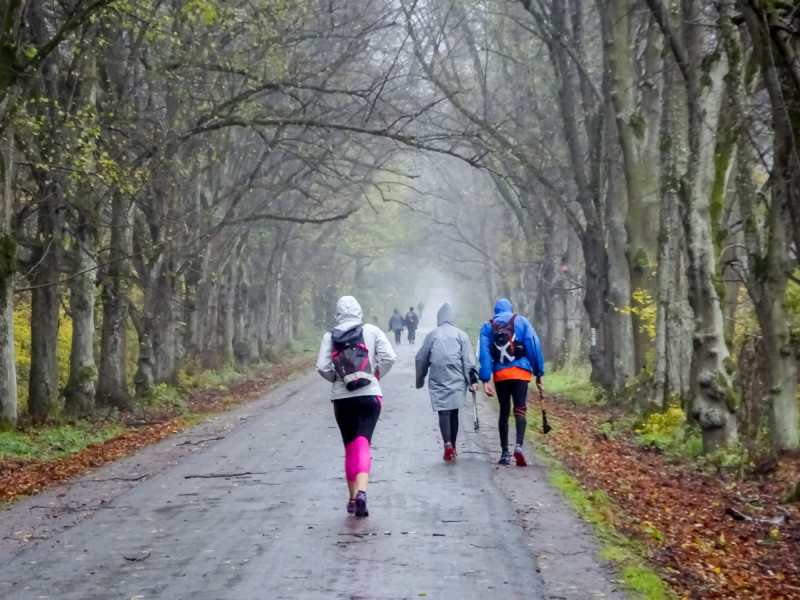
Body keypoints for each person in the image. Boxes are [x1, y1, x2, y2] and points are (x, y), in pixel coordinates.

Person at [317, 296, 396, 517]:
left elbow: (321, 366)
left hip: (343, 398)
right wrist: (376, 375)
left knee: (349, 446)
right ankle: (361, 492)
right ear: (359, 311)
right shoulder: (372, 331)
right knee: (363, 443)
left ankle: (352, 499)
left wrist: (337, 379)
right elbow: (390, 357)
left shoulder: (329, 336)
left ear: (338, 313)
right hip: (370, 395)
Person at [478, 298, 544, 467]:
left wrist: (485, 379)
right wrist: (538, 373)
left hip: (501, 375)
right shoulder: (520, 321)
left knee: (504, 411)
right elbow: (533, 345)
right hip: (521, 373)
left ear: (496, 310)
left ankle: (504, 453)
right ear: (510, 308)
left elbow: (484, 355)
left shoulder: (488, 327)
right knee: (520, 409)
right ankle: (519, 447)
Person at [415, 303, 478, 461]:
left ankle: (447, 443)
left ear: (439, 318)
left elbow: (421, 358)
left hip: (438, 377)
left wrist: (420, 378)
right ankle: (454, 446)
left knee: (443, 410)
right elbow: (468, 360)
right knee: (454, 411)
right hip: (457, 377)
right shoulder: (461, 335)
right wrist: (472, 380)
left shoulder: (432, 335)